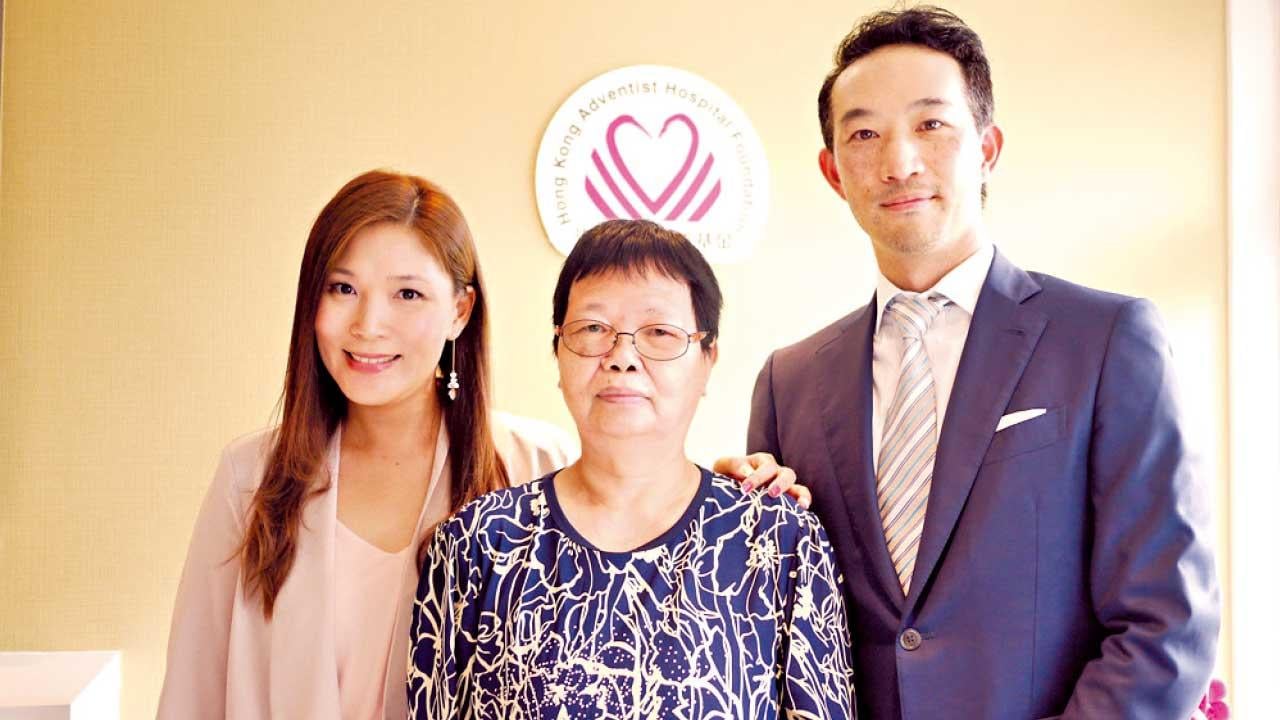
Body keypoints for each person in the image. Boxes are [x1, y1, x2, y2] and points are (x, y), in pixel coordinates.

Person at [730, 7, 1219, 719]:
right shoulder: (790, 382)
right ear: (833, 172)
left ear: (987, 147)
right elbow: (775, 631)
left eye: (931, 124)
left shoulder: (1106, 339)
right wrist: (721, 517)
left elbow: (1166, 624)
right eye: (864, 134)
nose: (899, 163)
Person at [157, 170, 575, 720]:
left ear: (459, 311)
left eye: (407, 294)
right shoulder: (250, 477)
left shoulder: (540, 469)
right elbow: (192, 696)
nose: (368, 325)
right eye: (343, 289)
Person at [407, 219, 856, 719]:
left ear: (708, 359)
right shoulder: (478, 542)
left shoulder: (780, 542)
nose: (622, 356)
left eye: (659, 332)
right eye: (592, 329)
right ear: (558, 350)